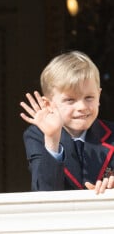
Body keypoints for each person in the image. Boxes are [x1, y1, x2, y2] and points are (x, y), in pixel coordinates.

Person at [20, 50, 114, 194]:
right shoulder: (37, 135)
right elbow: (44, 191)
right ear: (48, 104)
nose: (82, 107)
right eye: (70, 100)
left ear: (99, 96)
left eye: (89, 97)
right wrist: (52, 139)